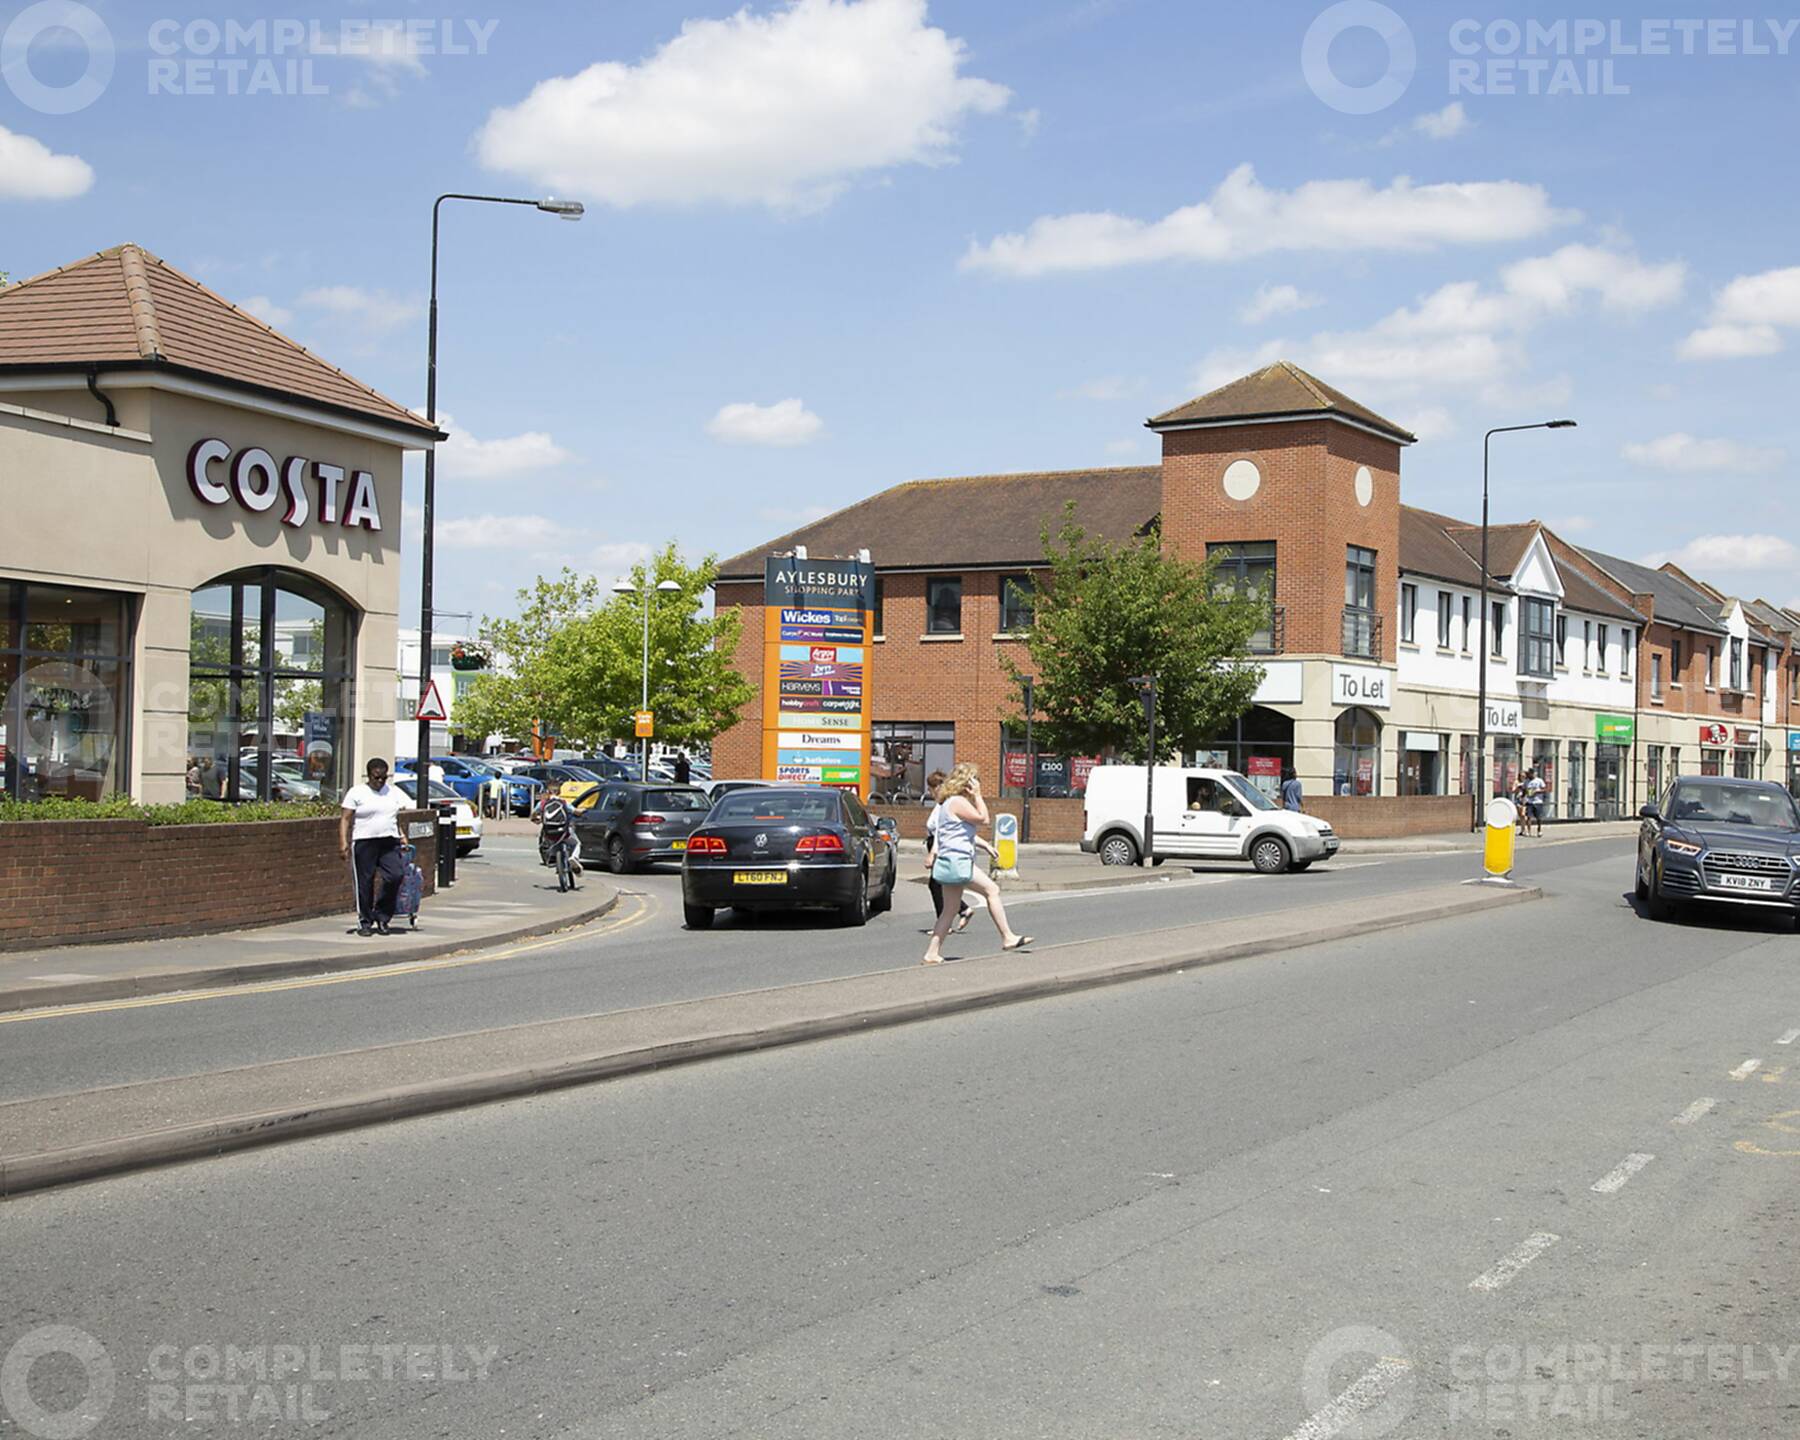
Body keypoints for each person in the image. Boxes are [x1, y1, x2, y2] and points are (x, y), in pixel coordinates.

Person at [922, 764, 1031, 965]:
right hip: (959, 861)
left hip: (948, 861)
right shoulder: (957, 802)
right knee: (992, 890)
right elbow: (984, 819)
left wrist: (986, 846)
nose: (977, 783)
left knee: (949, 910)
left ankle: (932, 952)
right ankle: (1007, 937)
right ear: (967, 783)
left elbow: (961, 833)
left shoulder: (947, 804)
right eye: (975, 780)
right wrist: (979, 795)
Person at [339, 758, 407, 937]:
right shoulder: (357, 792)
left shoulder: (392, 792)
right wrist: (343, 842)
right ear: (368, 775)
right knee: (365, 883)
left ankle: (383, 916)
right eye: (377, 778)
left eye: (384, 778)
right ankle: (365, 921)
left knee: (396, 875)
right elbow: (345, 818)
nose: (380, 781)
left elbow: (395, 817)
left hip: (389, 841)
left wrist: (402, 835)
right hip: (364, 841)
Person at [922, 770, 973, 934]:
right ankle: (961, 910)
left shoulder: (944, 804)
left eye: (931, 788)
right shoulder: (942, 804)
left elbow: (940, 831)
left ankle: (944, 923)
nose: (930, 792)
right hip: (936, 845)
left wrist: (933, 853)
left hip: (940, 847)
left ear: (938, 787)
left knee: (937, 884)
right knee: (942, 885)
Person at [1525, 767, 1548, 837]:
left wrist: (1537, 791)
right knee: (1528, 817)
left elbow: (1545, 789)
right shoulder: (1527, 781)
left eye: (1530, 774)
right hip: (1529, 801)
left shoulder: (1539, 781)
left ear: (1533, 774)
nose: (1529, 775)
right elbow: (1524, 790)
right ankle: (1528, 831)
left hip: (1538, 801)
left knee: (1538, 817)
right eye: (1528, 774)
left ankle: (1539, 830)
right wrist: (1523, 797)